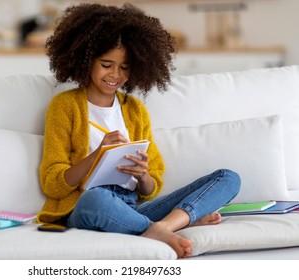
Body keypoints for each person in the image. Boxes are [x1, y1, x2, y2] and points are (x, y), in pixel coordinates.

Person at [37, 3, 241, 258]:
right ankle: (172, 226)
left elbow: (151, 188)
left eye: (125, 67)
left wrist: (143, 175)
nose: (115, 75)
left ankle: (162, 227)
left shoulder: (134, 110)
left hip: (132, 209)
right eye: (107, 64)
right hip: (88, 206)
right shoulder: (64, 106)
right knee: (96, 199)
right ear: (86, 60)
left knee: (228, 178)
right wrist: (98, 155)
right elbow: (53, 184)